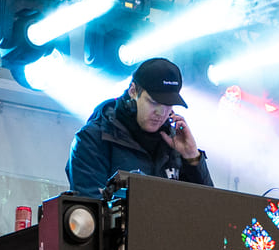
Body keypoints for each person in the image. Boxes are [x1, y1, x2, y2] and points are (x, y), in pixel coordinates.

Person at [66, 57, 213, 195]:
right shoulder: (93, 139)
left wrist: (192, 158)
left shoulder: (174, 143)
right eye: (153, 102)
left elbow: (209, 207)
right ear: (133, 91)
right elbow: (90, 206)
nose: (161, 113)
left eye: (168, 105)